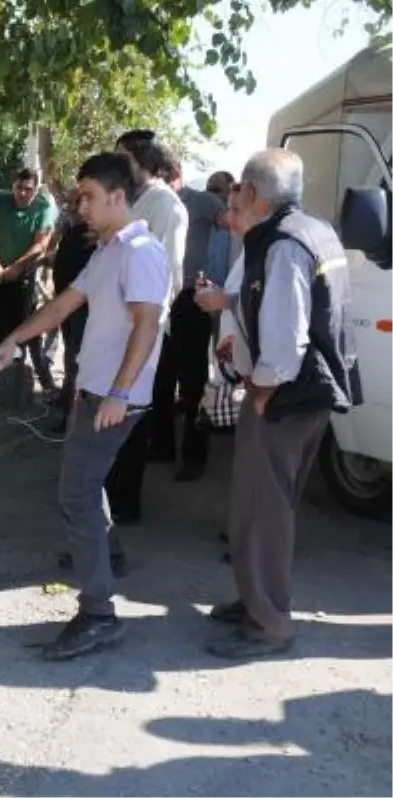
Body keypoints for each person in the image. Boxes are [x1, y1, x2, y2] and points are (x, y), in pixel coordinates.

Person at [0, 152, 170, 661]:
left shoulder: (141, 252)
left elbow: (147, 326)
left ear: (117, 196)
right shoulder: (109, 250)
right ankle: (106, 562)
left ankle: (98, 615)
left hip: (114, 399)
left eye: (88, 196)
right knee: (86, 490)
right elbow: (64, 304)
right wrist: (14, 340)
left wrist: (119, 393)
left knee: (77, 495)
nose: (80, 206)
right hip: (96, 392)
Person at [198, 149, 360, 660]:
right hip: (311, 395)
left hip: (286, 397)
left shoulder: (284, 246)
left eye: (240, 189)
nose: (233, 199)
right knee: (267, 507)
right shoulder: (315, 230)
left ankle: (269, 624)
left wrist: (262, 391)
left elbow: (285, 340)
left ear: (254, 194)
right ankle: (256, 599)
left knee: (263, 512)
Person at [101, 130, 188, 528]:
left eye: (125, 159)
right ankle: (109, 495)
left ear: (144, 162)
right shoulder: (140, 201)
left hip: (142, 326)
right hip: (119, 322)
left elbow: (168, 273)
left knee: (131, 413)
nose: (119, 166)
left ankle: (124, 503)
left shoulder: (166, 205)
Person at [149, 160, 227, 481]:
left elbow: (232, 233)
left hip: (192, 299)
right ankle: (163, 445)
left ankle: (194, 456)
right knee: (160, 376)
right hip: (161, 296)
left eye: (166, 176)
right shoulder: (154, 203)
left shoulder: (205, 202)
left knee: (193, 381)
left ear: (176, 173)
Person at [0, 167, 58, 391]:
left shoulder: (43, 207)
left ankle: (23, 380)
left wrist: (17, 267)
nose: (22, 194)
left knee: (20, 329)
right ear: (13, 185)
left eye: (28, 189)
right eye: (19, 188)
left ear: (36, 190)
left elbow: (41, 244)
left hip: (23, 277)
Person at [48, 187, 99, 434]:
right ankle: (67, 404)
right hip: (66, 304)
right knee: (70, 357)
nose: (70, 209)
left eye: (74, 204)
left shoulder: (94, 237)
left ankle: (72, 415)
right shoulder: (72, 231)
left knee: (75, 360)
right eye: (68, 204)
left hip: (82, 307)